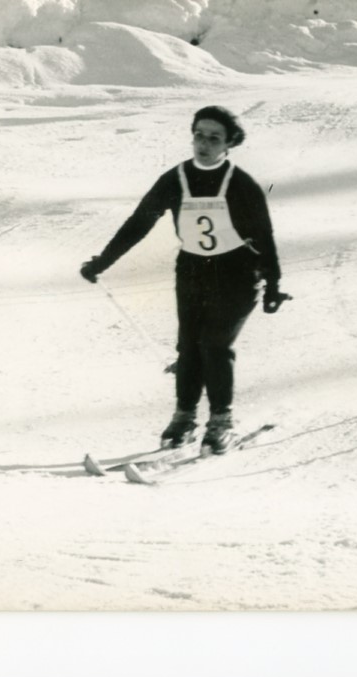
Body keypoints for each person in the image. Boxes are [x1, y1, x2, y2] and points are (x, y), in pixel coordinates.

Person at [79, 105, 290, 455]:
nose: (203, 144)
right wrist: (103, 262)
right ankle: (184, 418)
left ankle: (221, 421)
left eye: (213, 138)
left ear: (228, 144)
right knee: (189, 347)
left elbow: (264, 236)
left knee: (214, 344)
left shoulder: (241, 184)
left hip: (237, 273)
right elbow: (139, 223)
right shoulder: (175, 178)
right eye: (198, 135)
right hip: (192, 270)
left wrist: (273, 285)